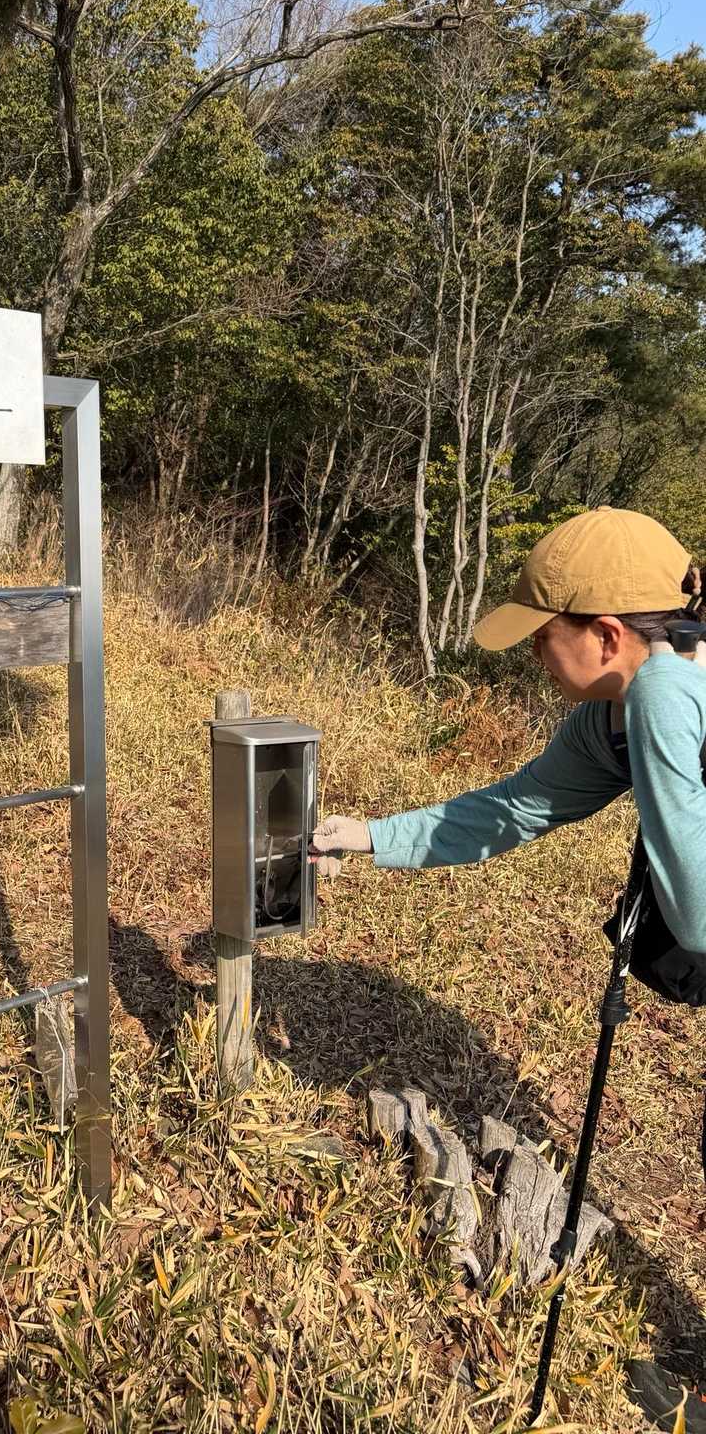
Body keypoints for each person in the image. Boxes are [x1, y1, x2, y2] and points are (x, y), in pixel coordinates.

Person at [310, 506, 705, 1433]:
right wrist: (369, 836)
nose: (531, 653)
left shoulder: (659, 694)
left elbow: (697, 911)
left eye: (543, 634)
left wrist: (660, 725)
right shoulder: (613, 714)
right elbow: (512, 808)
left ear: (605, 635)